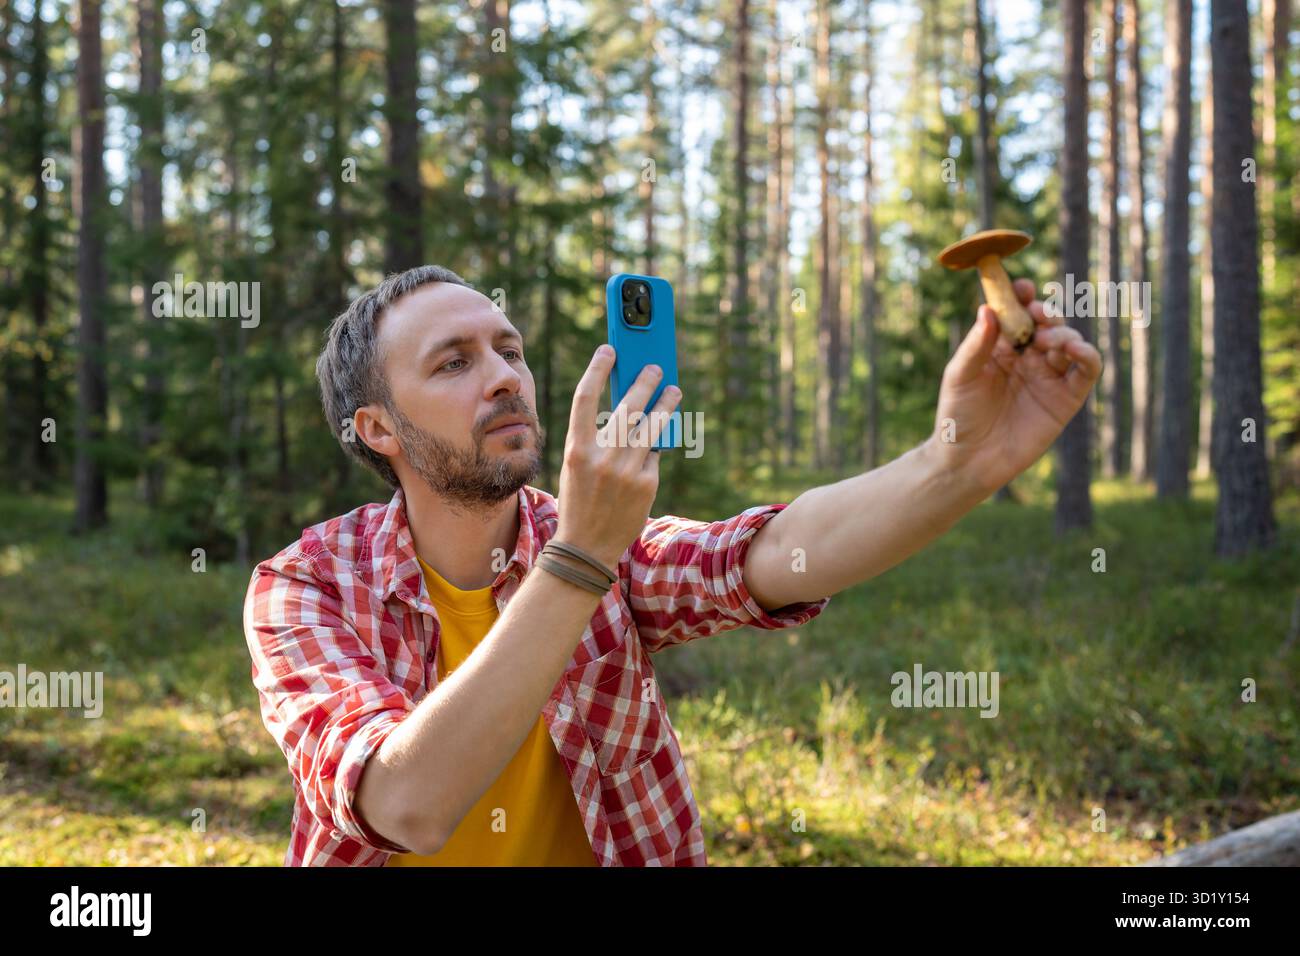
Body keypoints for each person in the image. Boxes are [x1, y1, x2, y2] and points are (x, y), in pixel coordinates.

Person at [242, 264, 1101, 866]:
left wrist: (957, 463)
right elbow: (405, 805)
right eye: (454, 363)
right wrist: (580, 559)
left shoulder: (595, 538)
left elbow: (769, 555)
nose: (505, 377)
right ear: (380, 430)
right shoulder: (308, 587)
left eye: (509, 350)